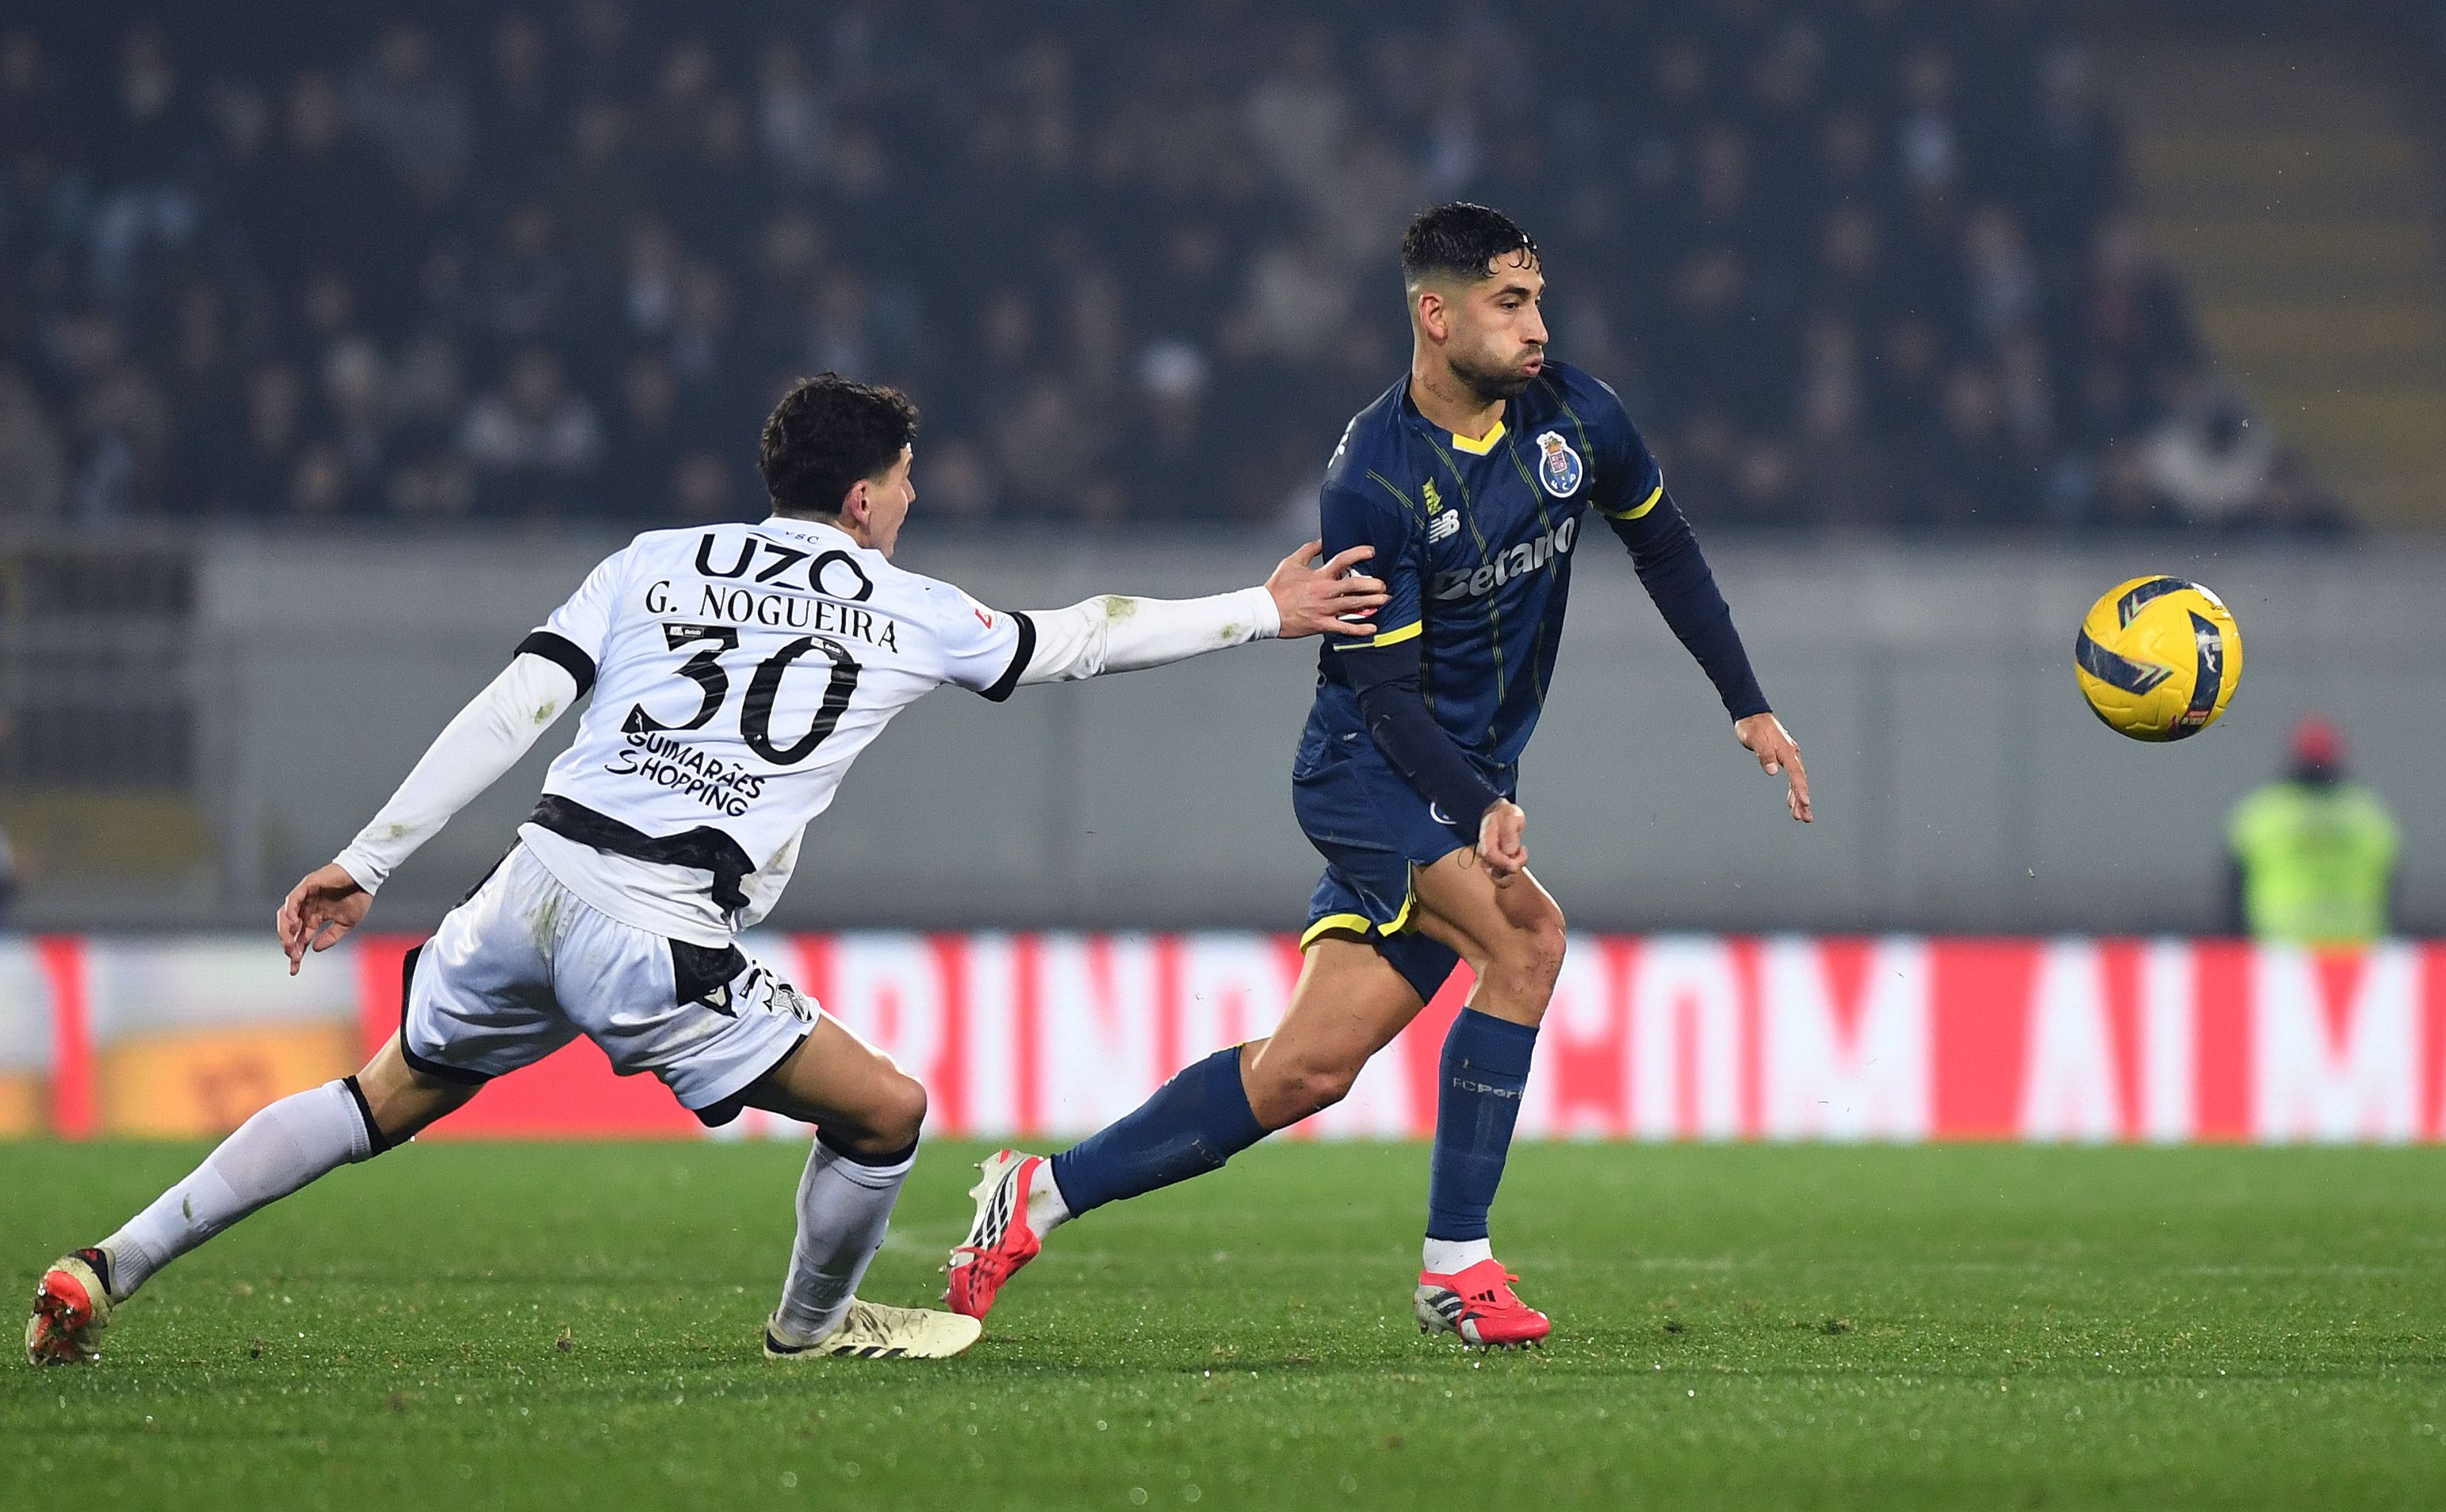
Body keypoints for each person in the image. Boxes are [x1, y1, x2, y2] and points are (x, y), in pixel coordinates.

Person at [26, 373, 1387, 1368]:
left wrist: (366, 857)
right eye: (907, 479)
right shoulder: (905, 606)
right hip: (653, 924)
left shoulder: (649, 563)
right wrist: (1261, 611)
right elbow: (1080, 638)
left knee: (377, 1096)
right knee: (887, 1112)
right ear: (864, 497)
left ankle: (109, 1263)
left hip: (526, 884)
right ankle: (809, 1330)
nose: (914, 499)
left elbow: (517, 703)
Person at [947, 204, 1810, 1347]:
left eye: (1539, 300)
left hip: (1457, 782)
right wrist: (1480, 804)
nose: (1537, 327)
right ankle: (1457, 1266)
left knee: (1304, 1073)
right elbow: (1387, 696)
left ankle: (1037, 1193)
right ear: (1435, 315)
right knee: (1528, 941)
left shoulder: (1577, 417)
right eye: (1510, 304)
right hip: (1369, 772)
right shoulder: (1375, 476)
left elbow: (1666, 546)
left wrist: (1746, 700)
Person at [2226, 716, 2400, 947]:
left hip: (2279, 947)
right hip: (2355, 948)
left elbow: (2232, 890)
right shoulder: (2367, 815)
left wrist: (2238, 944)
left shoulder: (2262, 814)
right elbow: (2393, 885)